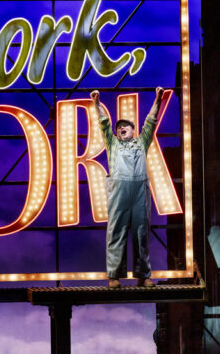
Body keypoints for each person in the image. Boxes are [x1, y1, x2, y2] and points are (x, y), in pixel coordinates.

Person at [91, 87, 164, 288]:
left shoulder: (142, 142)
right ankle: (114, 276)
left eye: (126, 126)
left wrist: (158, 99)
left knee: (142, 233)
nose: (122, 128)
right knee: (116, 232)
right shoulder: (112, 144)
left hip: (139, 192)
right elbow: (104, 124)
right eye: (119, 127)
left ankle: (143, 275)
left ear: (134, 130)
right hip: (119, 193)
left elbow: (151, 121)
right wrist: (97, 104)